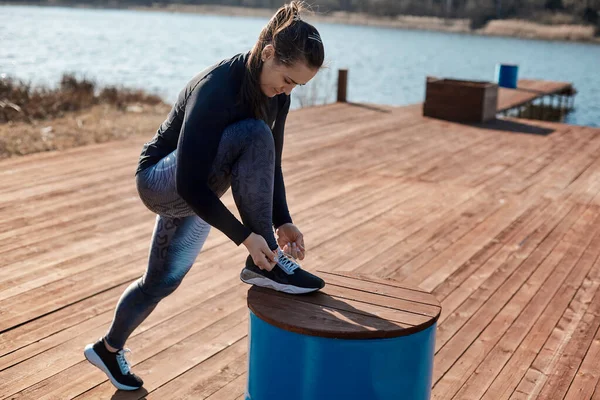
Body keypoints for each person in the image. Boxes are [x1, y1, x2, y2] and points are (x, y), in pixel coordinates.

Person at [83, 1, 326, 391]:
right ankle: (265, 266)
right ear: (268, 54)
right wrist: (248, 238)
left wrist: (283, 220)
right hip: (161, 180)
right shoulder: (218, 87)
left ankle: (108, 349)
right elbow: (187, 183)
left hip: (199, 186)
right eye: (287, 78)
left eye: (297, 85)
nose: (288, 89)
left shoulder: (278, 97)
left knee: (161, 283)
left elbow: (271, 164)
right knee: (253, 133)